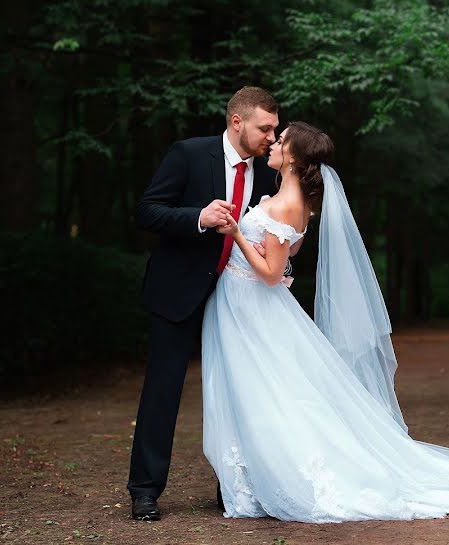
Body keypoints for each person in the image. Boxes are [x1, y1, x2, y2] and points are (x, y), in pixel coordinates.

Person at [202, 121, 449, 522]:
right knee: (269, 390)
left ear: (292, 155)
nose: (273, 143)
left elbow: (272, 273)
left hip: (253, 304)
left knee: (268, 390)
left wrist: (236, 232)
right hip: (249, 304)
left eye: (281, 139)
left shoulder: (285, 203)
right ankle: (256, 473)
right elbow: (286, 258)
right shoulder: (293, 199)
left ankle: (281, 474)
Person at [127, 86, 289, 521]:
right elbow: (146, 211)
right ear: (237, 122)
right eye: (265, 128)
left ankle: (232, 488)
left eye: (275, 129)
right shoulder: (189, 154)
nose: (272, 138)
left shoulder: (270, 174)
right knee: (163, 391)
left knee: (239, 392)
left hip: (235, 298)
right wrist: (198, 217)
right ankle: (145, 490)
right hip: (176, 291)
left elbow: (275, 235)